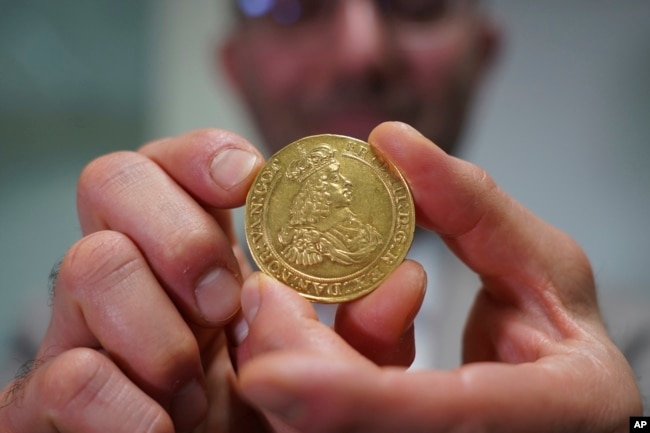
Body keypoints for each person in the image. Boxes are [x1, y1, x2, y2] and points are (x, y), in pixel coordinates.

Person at [0, 1, 646, 432]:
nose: (360, 50)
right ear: (235, 66)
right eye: (292, 4)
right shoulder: (88, 335)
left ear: (483, 52)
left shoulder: (630, 347)